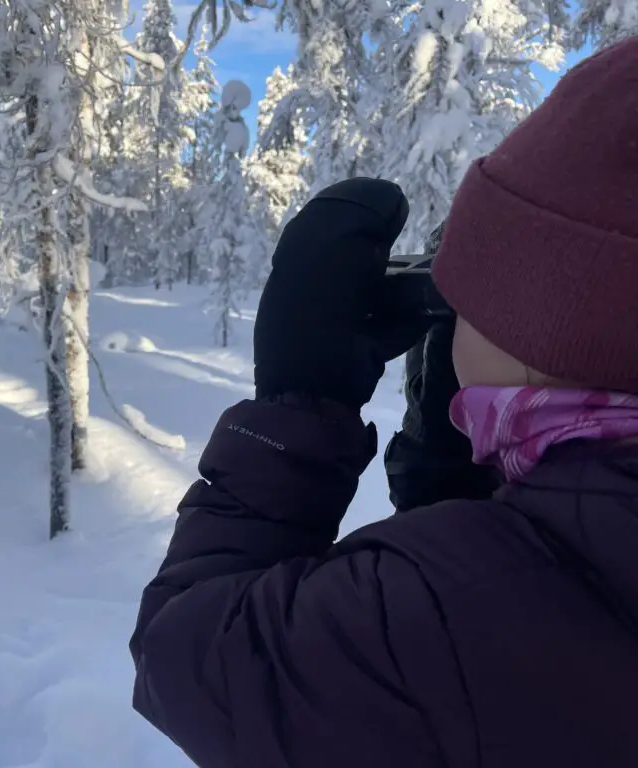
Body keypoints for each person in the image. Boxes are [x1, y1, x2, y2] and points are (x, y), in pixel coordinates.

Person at [129, 37, 638, 768]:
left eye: (459, 299)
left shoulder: (444, 610)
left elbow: (191, 659)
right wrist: (468, 503)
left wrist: (294, 413)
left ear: (550, 337)